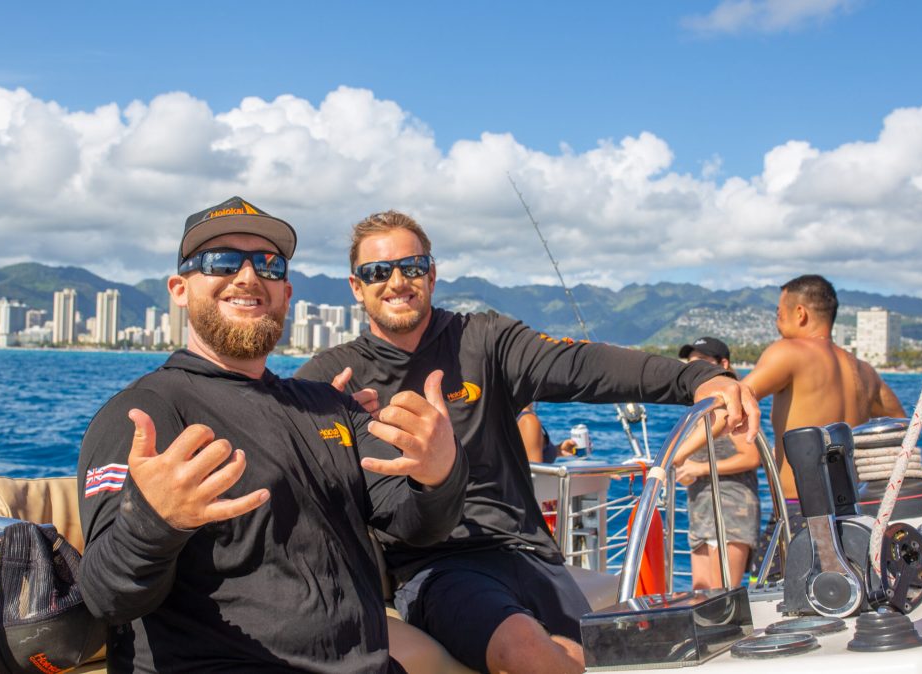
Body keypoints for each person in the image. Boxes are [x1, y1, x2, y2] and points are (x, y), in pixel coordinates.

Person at [295, 210, 760, 674]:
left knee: (614, 660)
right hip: (437, 568)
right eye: (378, 271)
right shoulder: (331, 379)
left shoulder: (484, 339)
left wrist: (696, 378)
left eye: (412, 267)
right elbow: (272, 439)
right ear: (356, 286)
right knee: (527, 652)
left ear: (432, 275)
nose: (397, 281)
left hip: (530, 553)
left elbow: (583, 366)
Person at [77, 197, 469, 673]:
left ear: (285, 293)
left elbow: (419, 526)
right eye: (221, 261)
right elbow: (106, 598)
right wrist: (154, 522)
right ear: (180, 290)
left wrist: (438, 472)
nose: (248, 277)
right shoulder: (144, 416)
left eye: (268, 264)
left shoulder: (332, 406)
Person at [742, 274, 907, 504]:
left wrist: (685, 449)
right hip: (854, 507)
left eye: (778, 314)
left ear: (800, 313)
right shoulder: (865, 371)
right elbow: (902, 426)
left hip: (801, 509)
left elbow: (735, 399)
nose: (777, 322)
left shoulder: (789, 352)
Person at [671, 337, 761, 589]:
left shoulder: (732, 409)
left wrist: (699, 468)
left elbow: (751, 456)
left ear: (724, 365)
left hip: (731, 510)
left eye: (702, 361)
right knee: (700, 596)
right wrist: (686, 471)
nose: (694, 367)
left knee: (721, 598)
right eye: (691, 362)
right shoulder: (701, 412)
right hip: (700, 509)